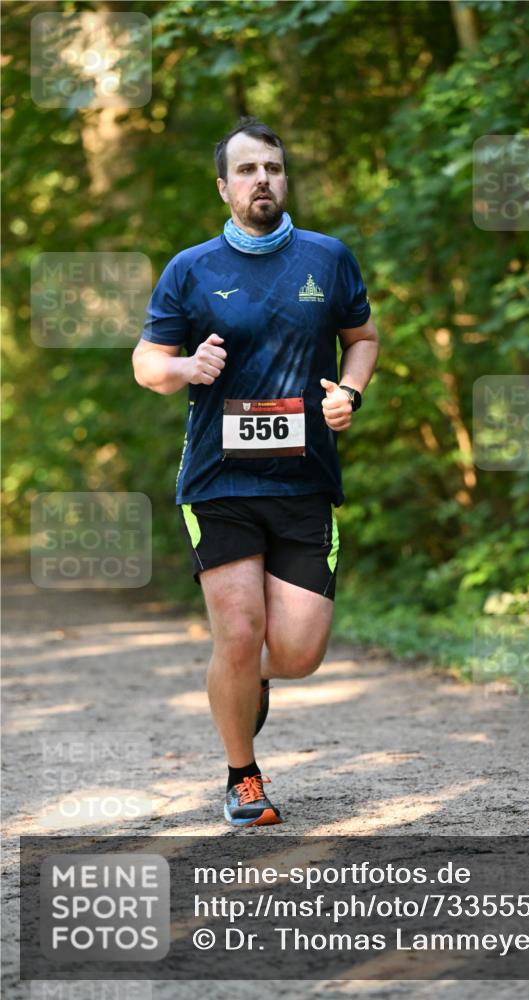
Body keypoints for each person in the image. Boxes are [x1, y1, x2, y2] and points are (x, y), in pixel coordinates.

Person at [132, 117, 379, 828]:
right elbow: (147, 362)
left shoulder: (327, 259)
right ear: (224, 185)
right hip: (219, 480)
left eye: (271, 167)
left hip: (304, 480)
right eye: (246, 170)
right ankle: (243, 776)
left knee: (296, 652)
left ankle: (253, 681)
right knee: (237, 634)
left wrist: (348, 392)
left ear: (284, 178)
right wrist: (185, 367)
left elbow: (360, 339)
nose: (261, 179)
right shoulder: (191, 268)